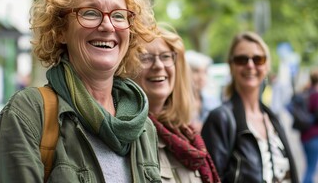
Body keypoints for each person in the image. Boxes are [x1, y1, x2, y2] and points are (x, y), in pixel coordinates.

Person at [0, 0, 162, 182]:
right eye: (90, 12)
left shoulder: (143, 127)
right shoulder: (29, 112)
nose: (107, 25)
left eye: (118, 15)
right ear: (60, 32)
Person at [201, 31, 299, 183]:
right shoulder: (220, 119)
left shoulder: (272, 118)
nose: (250, 65)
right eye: (241, 59)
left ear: (266, 66)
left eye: (258, 59)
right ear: (231, 66)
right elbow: (211, 178)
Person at [128, 25, 220, 183]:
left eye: (165, 57)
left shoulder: (186, 133)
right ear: (128, 69)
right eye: (146, 57)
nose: (158, 65)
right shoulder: (128, 135)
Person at [185, 50, 221, 129]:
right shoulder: (176, 103)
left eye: (205, 72)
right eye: (196, 71)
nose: (202, 77)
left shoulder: (214, 102)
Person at [300, 67, 318, 183]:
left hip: (305, 135)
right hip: (313, 136)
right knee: (310, 168)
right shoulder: (315, 95)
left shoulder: (306, 92)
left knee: (309, 166)